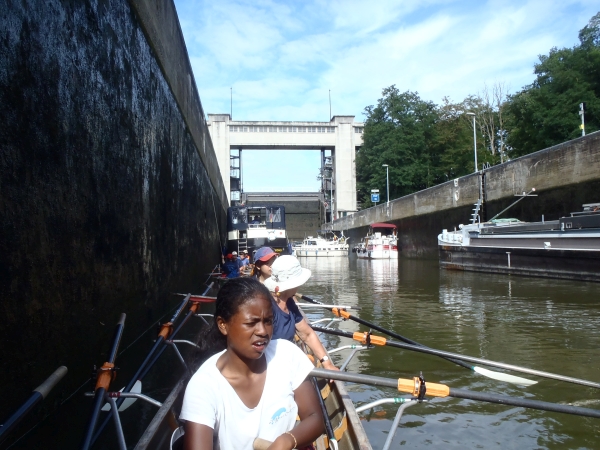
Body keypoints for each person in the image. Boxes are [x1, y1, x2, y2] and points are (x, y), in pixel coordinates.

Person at [181, 278, 324, 450]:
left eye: (268, 321)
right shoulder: (203, 387)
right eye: (251, 323)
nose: (263, 331)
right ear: (223, 325)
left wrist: (286, 440)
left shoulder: (287, 354)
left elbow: (315, 417)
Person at [263, 255, 339, 371]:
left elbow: (307, 334)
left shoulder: (289, 303)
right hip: (270, 368)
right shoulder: (267, 307)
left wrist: (327, 363)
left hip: (286, 364)